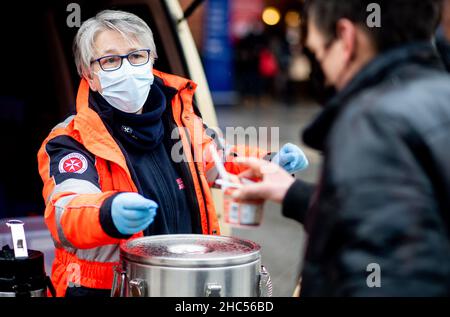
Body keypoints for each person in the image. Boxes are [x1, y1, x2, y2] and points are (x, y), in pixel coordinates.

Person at [37, 10, 308, 297]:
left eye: (136, 56)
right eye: (111, 60)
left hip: (186, 281)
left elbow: (219, 161)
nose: (127, 67)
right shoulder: (70, 140)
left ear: (151, 61)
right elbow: (64, 210)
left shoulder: (180, 118)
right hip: (111, 289)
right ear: (89, 75)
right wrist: (107, 212)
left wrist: (269, 163)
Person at [234, 0, 450, 296]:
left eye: (318, 53)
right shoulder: (439, 96)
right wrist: (293, 194)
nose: (323, 71)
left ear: (346, 38)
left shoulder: (373, 122)